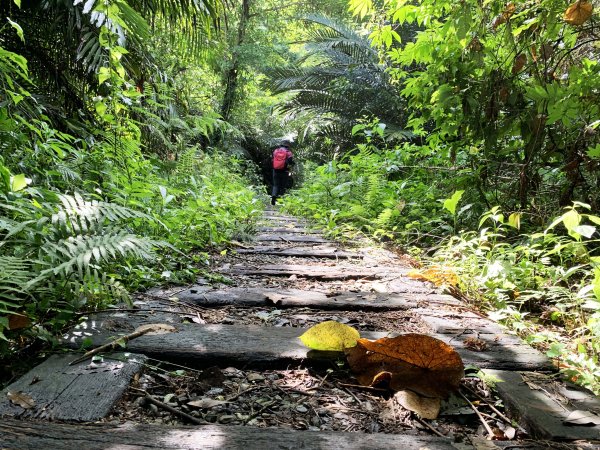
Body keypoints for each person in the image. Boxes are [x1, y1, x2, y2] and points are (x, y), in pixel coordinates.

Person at [271, 140, 294, 205]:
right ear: (287, 146)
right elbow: (290, 162)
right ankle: (280, 200)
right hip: (284, 171)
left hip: (275, 170)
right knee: (283, 186)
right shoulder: (288, 152)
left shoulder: (276, 151)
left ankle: (274, 196)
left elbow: (273, 159)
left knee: (276, 185)